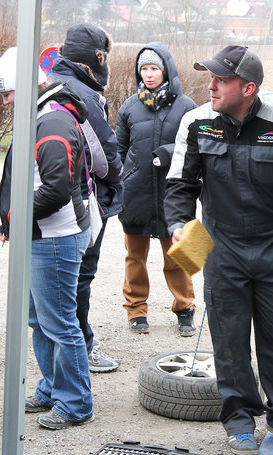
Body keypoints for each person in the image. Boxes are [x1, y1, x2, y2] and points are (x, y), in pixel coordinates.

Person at [164, 45, 273, 455]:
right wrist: (180, 227)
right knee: (230, 339)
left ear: (248, 88)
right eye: (211, 77)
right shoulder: (196, 123)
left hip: (272, 247)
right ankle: (239, 419)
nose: (211, 85)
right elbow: (181, 185)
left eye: (221, 79)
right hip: (219, 247)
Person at [0, 48, 94, 429]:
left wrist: (15, 216)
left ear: (26, 86)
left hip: (54, 237)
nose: (5, 102)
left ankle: (76, 403)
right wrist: (11, 223)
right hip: (40, 235)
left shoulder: (51, 123)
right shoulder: (38, 115)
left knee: (60, 322)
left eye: (8, 93)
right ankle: (52, 388)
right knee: (40, 319)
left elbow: (55, 190)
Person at [48, 23, 124, 372]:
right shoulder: (82, 93)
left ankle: (65, 348)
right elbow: (104, 156)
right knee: (81, 275)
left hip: (58, 195)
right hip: (85, 198)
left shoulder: (51, 81)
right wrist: (118, 177)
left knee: (64, 278)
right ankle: (81, 347)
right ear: (96, 58)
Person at [116, 42, 197, 336]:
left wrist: (168, 152)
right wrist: (123, 180)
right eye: (144, 69)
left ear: (166, 70)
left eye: (154, 68)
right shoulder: (128, 107)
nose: (148, 74)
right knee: (134, 258)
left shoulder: (187, 106)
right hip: (135, 194)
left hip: (173, 194)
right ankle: (136, 310)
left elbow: (196, 148)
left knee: (180, 254)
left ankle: (185, 308)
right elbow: (118, 151)